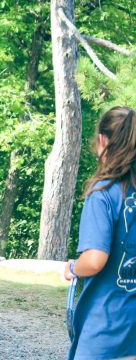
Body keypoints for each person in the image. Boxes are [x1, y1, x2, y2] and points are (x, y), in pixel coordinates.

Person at [64, 106, 136, 360]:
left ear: (103, 140)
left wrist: (73, 268)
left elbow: (94, 260)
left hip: (106, 328)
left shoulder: (104, 194)